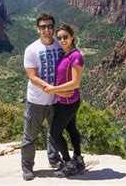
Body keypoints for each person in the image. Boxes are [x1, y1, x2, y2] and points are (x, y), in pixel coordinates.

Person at [21, 13, 73, 181]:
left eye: (50, 26)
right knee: (30, 136)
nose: (47, 29)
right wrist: (51, 89)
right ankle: (27, 167)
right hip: (36, 101)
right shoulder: (31, 49)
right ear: (38, 29)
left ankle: (54, 159)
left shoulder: (61, 46)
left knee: (54, 133)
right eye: (43, 27)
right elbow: (32, 76)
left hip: (56, 101)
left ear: (53, 28)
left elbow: (72, 63)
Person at [44, 24, 85, 177]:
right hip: (66, 99)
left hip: (68, 102)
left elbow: (76, 82)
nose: (62, 40)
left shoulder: (76, 56)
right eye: (59, 37)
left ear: (72, 36)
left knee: (54, 133)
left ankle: (69, 164)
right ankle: (78, 159)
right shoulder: (64, 53)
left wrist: (53, 89)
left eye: (65, 37)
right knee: (71, 129)